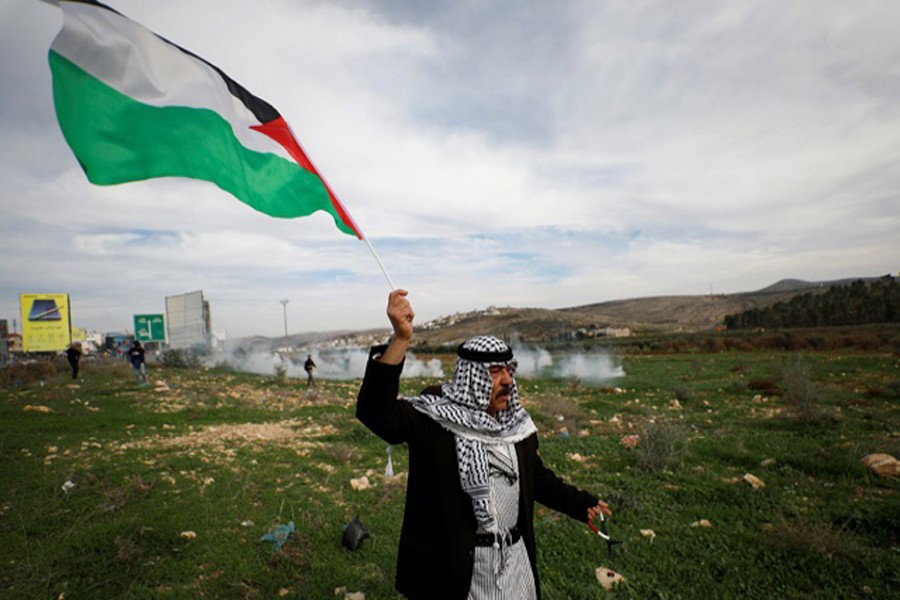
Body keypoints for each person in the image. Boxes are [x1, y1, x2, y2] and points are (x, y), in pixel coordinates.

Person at [356, 289, 611, 600]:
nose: (507, 380)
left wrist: (580, 503)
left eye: (507, 370)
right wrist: (400, 339)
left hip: (514, 561)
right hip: (457, 569)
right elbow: (375, 412)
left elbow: (536, 477)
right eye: (494, 372)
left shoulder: (515, 425)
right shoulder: (436, 417)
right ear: (471, 377)